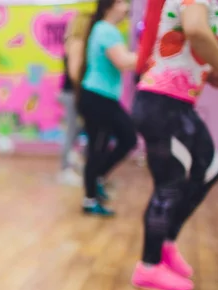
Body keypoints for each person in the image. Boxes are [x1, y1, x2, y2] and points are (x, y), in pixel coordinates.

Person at [130, 0, 218, 290]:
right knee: (169, 185)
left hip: (179, 104)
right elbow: (195, 30)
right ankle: (148, 266)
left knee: (210, 167)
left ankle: (166, 241)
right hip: (161, 102)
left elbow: (198, 47)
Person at [77, 0, 138, 216]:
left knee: (128, 138)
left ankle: (98, 177)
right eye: (123, 2)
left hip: (104, 98)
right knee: (98, 148)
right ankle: (89, 199)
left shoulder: (105, 29)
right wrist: (153, 54)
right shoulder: (105, 30)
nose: (127, 7)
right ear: (109, 5)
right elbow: (123, 61)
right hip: (97, 98)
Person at [58, 12, 91, 186]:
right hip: (72, 93)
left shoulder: (73, 43)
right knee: (72, 131)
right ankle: (65, 170)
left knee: (76, 130)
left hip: (70, 93)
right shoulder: (76, 43)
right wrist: (82, 93)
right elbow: (74, 73)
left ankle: (72, 165)